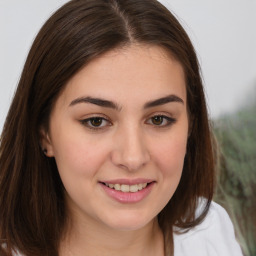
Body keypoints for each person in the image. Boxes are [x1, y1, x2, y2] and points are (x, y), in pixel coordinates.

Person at [0, 0, 243, 255]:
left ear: (190, 126)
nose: (132, 157)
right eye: (96, 121)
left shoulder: (208, 233)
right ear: (44, 133)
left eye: (159, 119)